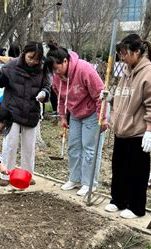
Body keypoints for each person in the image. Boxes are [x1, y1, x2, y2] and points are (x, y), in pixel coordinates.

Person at [104, 34, 151, 218]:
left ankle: (137, 207)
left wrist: (149, 132)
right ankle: (118, 200)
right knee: (119, 169)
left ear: (137, 52)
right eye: (120, 54)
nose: (122, 57)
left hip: (137, 132)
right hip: (121, 130)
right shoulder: (127, 72)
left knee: (137, 172)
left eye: (125, 53)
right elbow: (124, 99)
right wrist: (110, 98)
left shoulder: (149, 73)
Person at [46, 41, 107, 196]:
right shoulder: (57, 77)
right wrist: (62, 117)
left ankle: (89, 183)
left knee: (90, 149)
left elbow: (101, 95)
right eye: (53, 70)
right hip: (75, 114)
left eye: (57, 68)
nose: (55, 72)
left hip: (93, 112)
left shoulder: (84, 69)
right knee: (73, 147)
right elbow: (60, 98)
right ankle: (75, 178)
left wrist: (102, 118)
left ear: (65, 61)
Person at [0, 41, 51, 187]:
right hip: (11, 111)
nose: (33, 61)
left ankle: (27, 175)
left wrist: (44, 94)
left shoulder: (43, 69)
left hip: (31, 111)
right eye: (30, 57)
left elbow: (47, 87)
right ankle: (6, 174)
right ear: (24, 53)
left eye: (37, 59)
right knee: (10, 144)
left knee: (29, 146)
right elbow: (0, 82)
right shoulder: (12, 65)